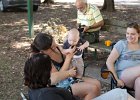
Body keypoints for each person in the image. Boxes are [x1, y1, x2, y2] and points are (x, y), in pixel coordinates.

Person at [24, 53, 135, 100]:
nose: (53, 69)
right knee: (120, 93)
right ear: (44, 72)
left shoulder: (35, 87)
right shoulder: (47, 95)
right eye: (51, 66)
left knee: (100, 87)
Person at [31, 33, 101, 100]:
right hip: (59, 86)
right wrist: (68, 59)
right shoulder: (44, 59)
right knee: (93, 89)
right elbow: (57, 79)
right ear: (43, 51)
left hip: (70, 77)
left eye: (53, 42)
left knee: (97, 84)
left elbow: (67, 53)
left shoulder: (57, 47)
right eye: (51, 47)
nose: (54, 46)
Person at [106, 22, 140, 100]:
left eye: (133, 34)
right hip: (124, 76)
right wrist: (116, 79)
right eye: (127, 33)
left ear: (139, 34)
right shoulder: (122, 44)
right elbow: (109, 62)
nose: (129, 36)